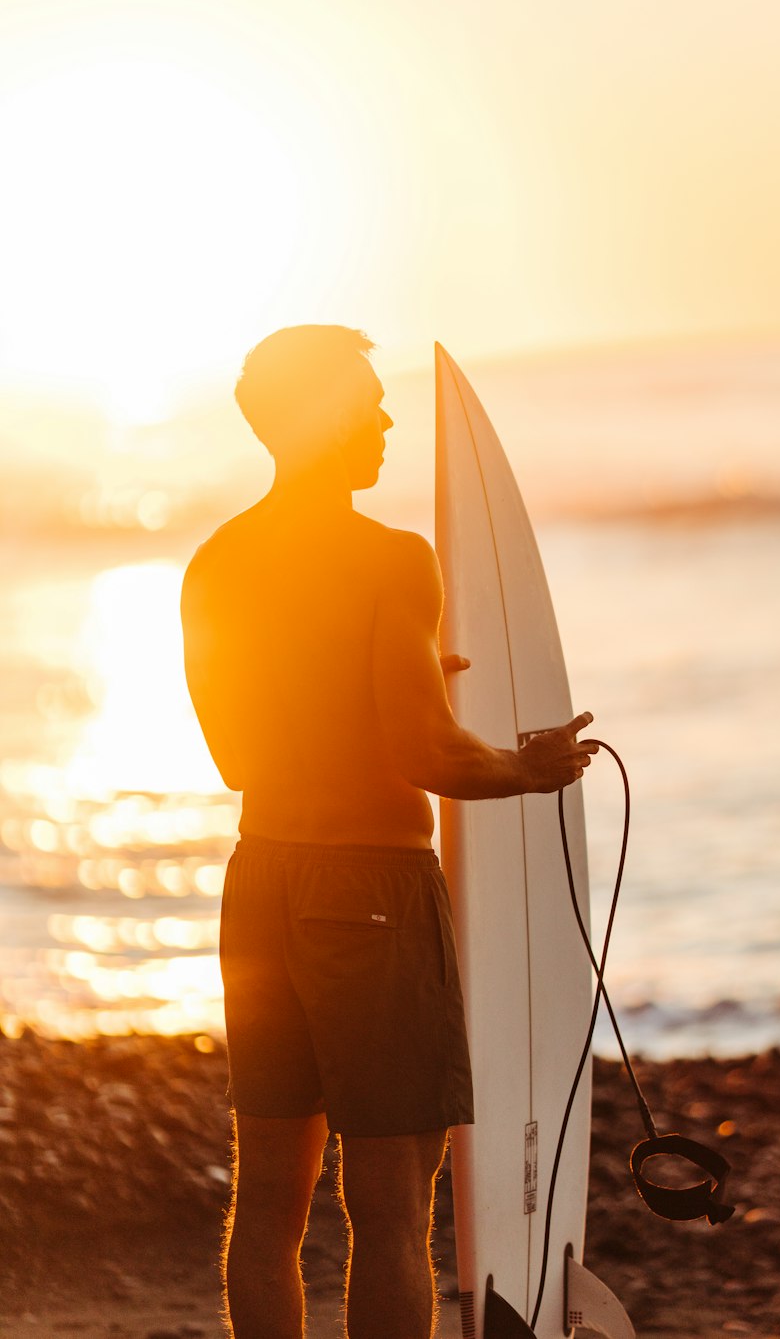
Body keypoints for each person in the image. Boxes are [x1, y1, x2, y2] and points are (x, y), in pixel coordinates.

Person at [180, 325, 598, 1339]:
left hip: (263, 881)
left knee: (270, 1203)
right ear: (321, 418)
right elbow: (426, 758)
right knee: (390, 1202)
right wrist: (523, 770)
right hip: (371, 892)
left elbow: (244, 753)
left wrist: (395, 688)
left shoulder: (216, 561)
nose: (385, 418)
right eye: (366, 402)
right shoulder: (391, 560)